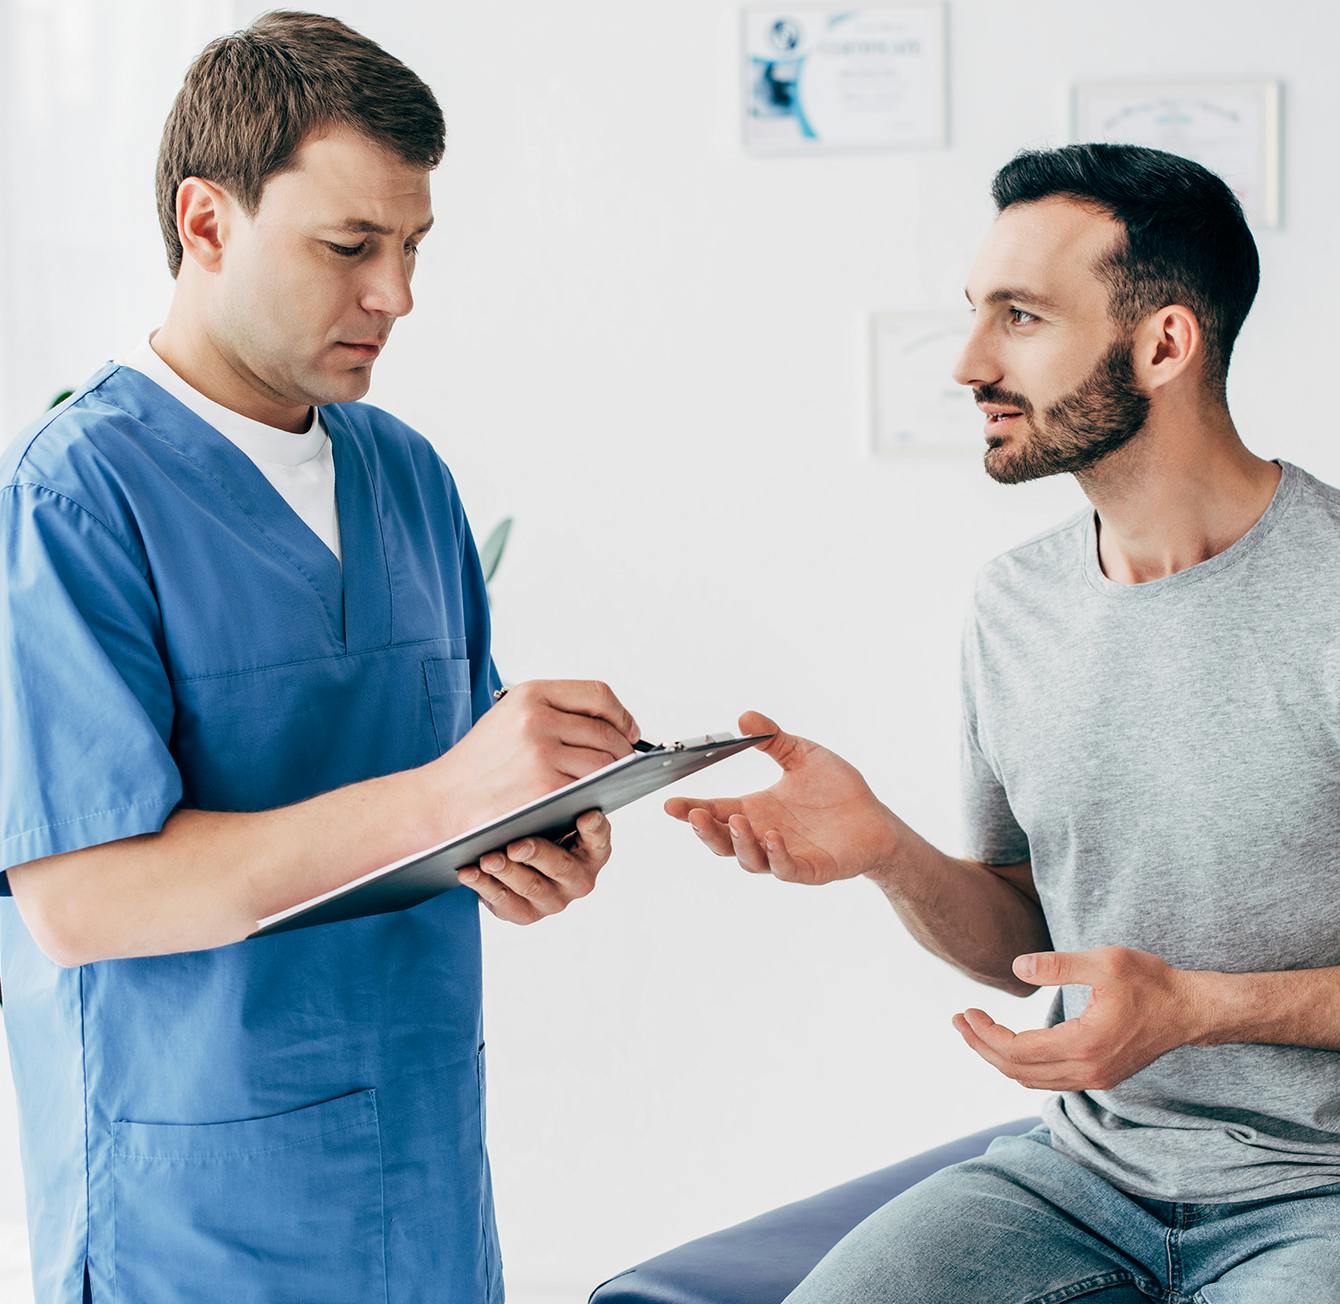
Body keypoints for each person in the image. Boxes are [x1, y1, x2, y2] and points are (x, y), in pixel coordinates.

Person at [0, 13, 636, 1303]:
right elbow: (81, 896)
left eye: (410, 248)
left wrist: (528, 833)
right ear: (205, 220)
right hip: (190, 1212)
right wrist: (452, 796)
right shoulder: (75, 497)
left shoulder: (402, 473)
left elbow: (438, 793)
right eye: (349, 246)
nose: (394, 295)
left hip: (422, 1177)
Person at [668, 143, 1340, 1300]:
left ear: (1162, 343)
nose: (970, 361)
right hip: (1078, 1177)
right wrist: (888, 850)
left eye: (1019, 317)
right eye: (975, 313)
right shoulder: (1013, 604)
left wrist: (1202, 1008)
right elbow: (1024, 941)